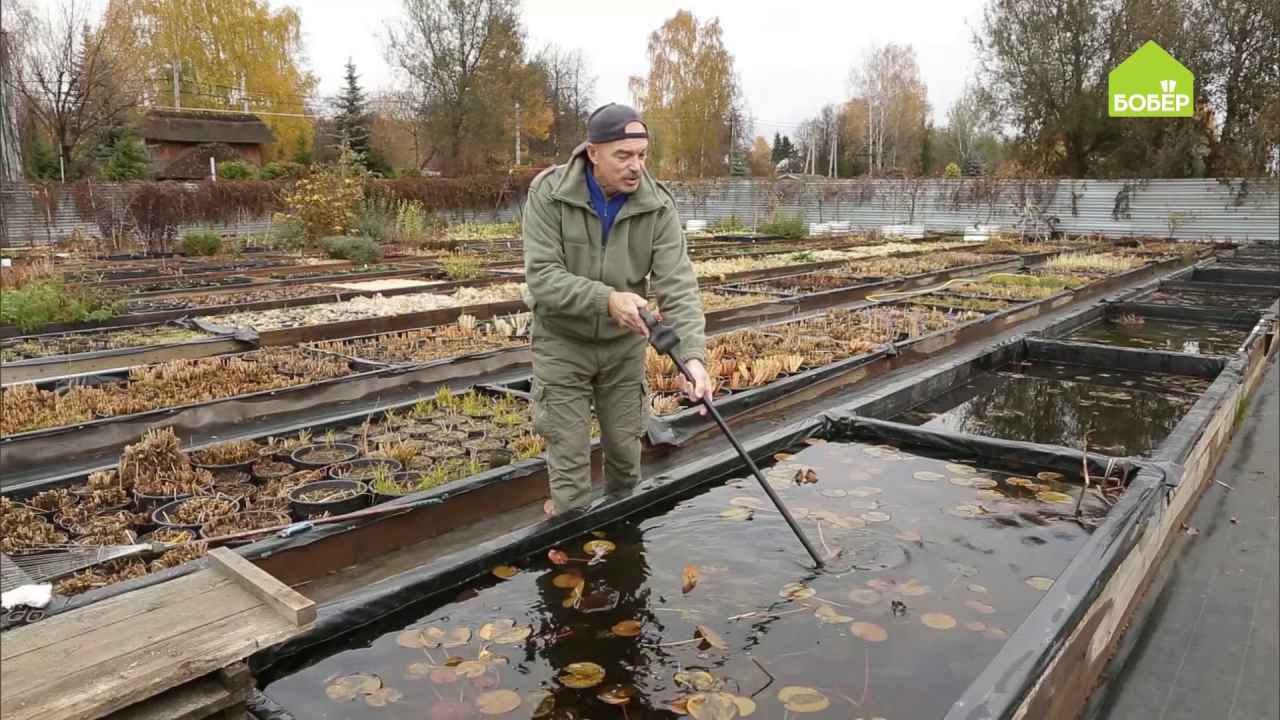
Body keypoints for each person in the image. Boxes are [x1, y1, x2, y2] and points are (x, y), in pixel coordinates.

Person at [523, 102, 711, 514]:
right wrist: (607, 299)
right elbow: (543, 277)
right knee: (570, 473)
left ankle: (626, 563)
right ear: (593, 152)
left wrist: (693, 360)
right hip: (562, 342)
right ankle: (571, 548)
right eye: (623, 155)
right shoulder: (549, 194)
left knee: (627, 463)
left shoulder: (657, 205)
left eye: (642, 155)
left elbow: (677, 284)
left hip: (623, 348)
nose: (635, 167)